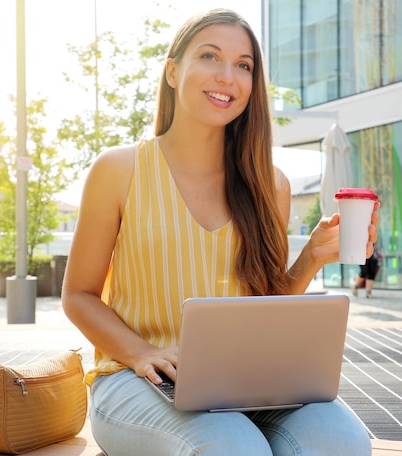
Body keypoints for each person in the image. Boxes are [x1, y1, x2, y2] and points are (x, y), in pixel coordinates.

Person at [62, 8, 379, 455]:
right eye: (209, 57)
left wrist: (312, 257)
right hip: (139, 379)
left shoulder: (271, 183)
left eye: (243, 65)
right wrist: (139, 352)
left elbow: (266, 311)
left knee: (343, 443)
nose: (227, 76)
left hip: (250, 378)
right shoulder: (119, 169)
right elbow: (78, 295)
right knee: (233, 447)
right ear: (173, 71)